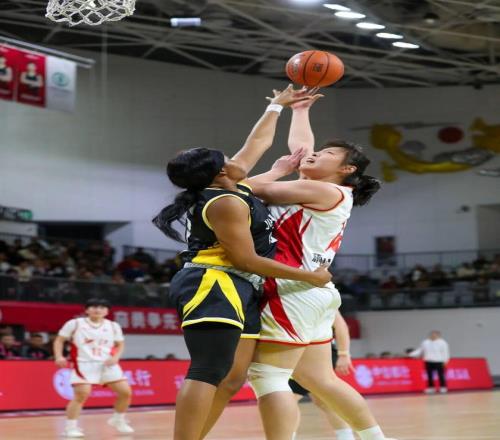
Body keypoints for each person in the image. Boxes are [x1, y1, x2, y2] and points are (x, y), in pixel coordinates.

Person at [154, 85, 331, 440]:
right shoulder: (225, 202)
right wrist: (308, 277)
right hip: (212, 282)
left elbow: (258, 143)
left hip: (240, 286)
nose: (238, 158)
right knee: (208, 369)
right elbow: (246, 259)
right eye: (228, 158)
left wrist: (277, 106)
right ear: (222, 171)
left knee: (233, 378)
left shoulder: (235, 187)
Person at [242, 90, 397, 440]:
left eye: (327, 154)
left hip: (292, 288)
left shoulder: (325, 192)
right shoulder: (328, 190)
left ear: (346, 169)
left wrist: (274, 171)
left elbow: (251, 189)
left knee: (269, 376)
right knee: (319, 379)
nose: (314, 155)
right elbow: (302, 151)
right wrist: (300, 111)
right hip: (313, 289)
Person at [53, 298, 134, 438]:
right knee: (81, 394)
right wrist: (59, 356)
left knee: (125, 392)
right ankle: (70, 427)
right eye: (94, 307)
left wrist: (116, 357)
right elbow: (59, 340)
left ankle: (118, 419)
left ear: (107, 311)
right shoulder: (75, 323)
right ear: (87, 310)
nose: (98, 310)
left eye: (102, 307)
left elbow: (120, 344)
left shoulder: (113, 326)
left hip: (107, 363)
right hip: (83, 363)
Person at [289, 311, 357, 440]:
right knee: (323, 401)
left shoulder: (321, 298)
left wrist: (344, 354)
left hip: (318, 353)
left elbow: (340, 325)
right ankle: (347, 437)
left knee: (288, 398)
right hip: (297, 352)